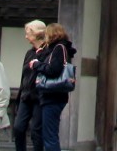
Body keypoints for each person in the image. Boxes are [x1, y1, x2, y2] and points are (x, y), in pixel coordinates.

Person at [31, 22, 77, 151]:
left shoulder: (58, 48)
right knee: (49, 134)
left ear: (51, 34)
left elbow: (53, 70)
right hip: (55, 97)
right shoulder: (59, 48)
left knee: (50, 136)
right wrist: (40, 55)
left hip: (53, 96)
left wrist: (36, 65)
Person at [14, 20, 47, 151]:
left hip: (40, 96)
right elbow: (24, 76)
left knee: (36, 131)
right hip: (26, 95)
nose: (26, 36)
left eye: (28, 33)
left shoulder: (47, 52)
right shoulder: (29, 53)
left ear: (36, 34)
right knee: (18, 127)